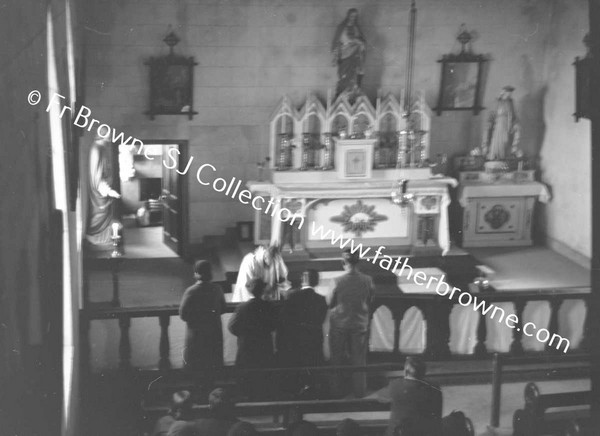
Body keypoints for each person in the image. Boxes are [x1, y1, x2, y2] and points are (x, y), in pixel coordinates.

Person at [329, 249, 375, 398]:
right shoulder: (367, 280)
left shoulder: (336, 281)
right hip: (359, 323)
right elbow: (370, 300)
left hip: (339, 324)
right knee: (359, 359)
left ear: (343, 263)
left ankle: (336, 391)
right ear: (358, 262)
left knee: (337, 358)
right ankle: (359, 391)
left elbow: (329, 303)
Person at [277, 269, 328, 398]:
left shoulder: (292, 296)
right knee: (314, 364)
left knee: (298, 364)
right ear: (316, 281)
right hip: (314, 336)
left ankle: (298, 391)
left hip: (296, 337)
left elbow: (285, 318)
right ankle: (314, 390)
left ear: (302, 280)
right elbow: (321, 320)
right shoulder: (321, 299)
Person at [228, 278, 278, 399]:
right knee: (263, 375)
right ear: (262, 290)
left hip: (246, 346)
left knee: (247, 377)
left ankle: (248, 400)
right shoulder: (268, 306)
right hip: (264, 345)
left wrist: (243, 335)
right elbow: (274, 325)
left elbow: (232, 326)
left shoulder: (242, 307)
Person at [179, 260, 226, 370]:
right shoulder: (217, 289)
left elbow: (183, 315)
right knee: (212, 368)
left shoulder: (190, 291)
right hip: (213, 333)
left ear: (196, 273)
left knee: (195, 368)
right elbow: (223, 308)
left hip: (196, 334)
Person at [384, 357, 442, 436]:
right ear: (424, 373)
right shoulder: (434, 388)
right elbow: (437, 417)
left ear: (405, 371)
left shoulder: (394, 385)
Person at [86, 135, 121, 246]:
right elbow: (97, 177)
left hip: (104, 192)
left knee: (105, 215)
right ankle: (96, 237)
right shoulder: (96, 150)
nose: (109, 140)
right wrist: (109, 191)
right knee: (99, 214)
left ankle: (105, 238)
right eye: (108, 137)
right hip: (100, 194)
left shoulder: (101, 148)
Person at [332, 8, 366, 98]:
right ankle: (341, 94)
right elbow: (344, 39)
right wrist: (356, 41)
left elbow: (362, 41)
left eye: (355, 16)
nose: (353, 18)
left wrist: (360, 43)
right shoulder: (342, 27)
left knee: (354, 73)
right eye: (351, 15)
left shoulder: (356, 28)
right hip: (345, 54)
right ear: (348, 16)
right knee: (344, 75)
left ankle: (354, 91)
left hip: (355, 55)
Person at [484, 86, 520, 160]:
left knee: (506, 141)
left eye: (510, 93)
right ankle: (496, 157)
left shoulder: (511, 103)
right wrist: (489, 122)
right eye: (508, 93)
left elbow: (514, 115)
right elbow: (492, 114)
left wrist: (515, 123)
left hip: (508, 125)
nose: (509, 95)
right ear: (504, 93)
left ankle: (504, 158)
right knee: (498, 141)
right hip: (499, 124)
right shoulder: (497, 102)